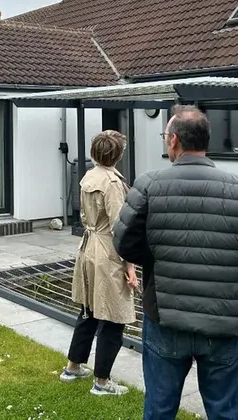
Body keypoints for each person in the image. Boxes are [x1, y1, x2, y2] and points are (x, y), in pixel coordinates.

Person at [113, 105, 238, 420]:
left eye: (165, 137)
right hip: (223, 321)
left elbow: (123, 243)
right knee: (225, 411)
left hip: (165, 319)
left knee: (160, 409)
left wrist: (159, 257)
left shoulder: (148, 185)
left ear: (173, 141)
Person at [60, 129, 140, 396]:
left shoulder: (88, 176)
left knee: (89, 310)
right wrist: (130, 265)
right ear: (117, 155)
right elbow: (121, 227)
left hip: (89, 247)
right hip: (107, 251)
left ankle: (73, 366)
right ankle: (102, 382)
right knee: (114, 316)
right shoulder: (113, 183)